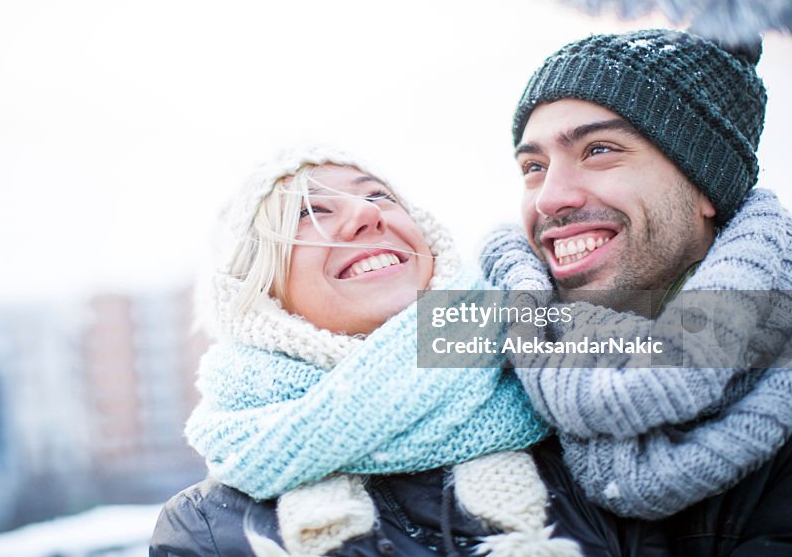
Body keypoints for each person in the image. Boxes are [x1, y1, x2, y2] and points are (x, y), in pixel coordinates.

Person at [150, 147, 664, 556]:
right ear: (260, 293)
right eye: (310, 211)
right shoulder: (206, 529)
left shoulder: (580, 407)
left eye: (379, 195)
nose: (364, 214)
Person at [480, 28, 792, 555]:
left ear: (705, 187)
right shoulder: (491, 374)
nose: (550, 198)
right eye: (534, 167)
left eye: (599, 150)